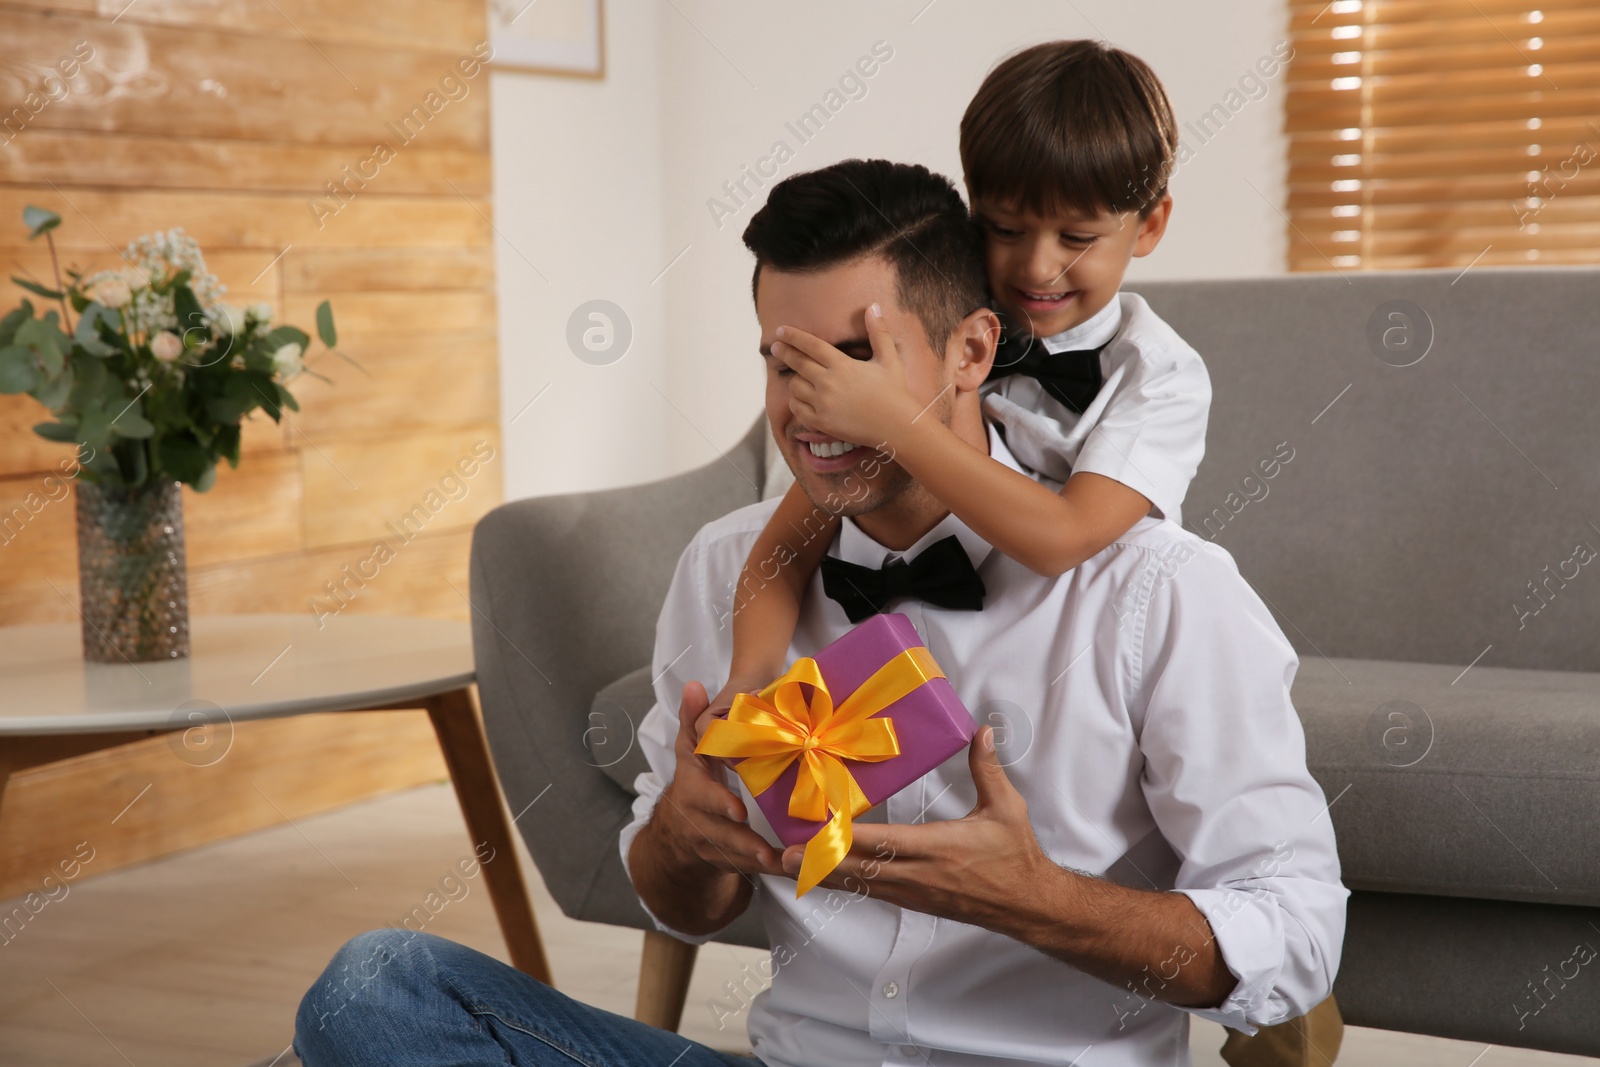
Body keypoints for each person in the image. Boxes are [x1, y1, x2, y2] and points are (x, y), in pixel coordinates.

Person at [293, 157, 1347, 1067]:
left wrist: (1035, 896)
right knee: (375, 984)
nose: (806, 404)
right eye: (779, 359)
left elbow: (1294, 934)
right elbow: (677, 900)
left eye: (850, 356)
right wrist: (684, 831)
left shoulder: (1158, 589)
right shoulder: (727, 570)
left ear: (972, 351)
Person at [717, 40, 1209, 730]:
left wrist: (895, 422)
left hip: (1074, 630)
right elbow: (781, 547)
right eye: (1005, 228)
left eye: (1077, 237)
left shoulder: (1159, 376)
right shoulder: (947, 320)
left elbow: (1060, 540)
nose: (1037, 268)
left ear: (1150, 224)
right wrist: (750, 680)